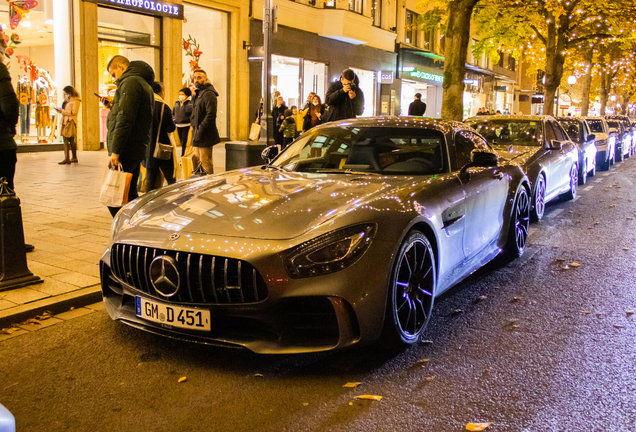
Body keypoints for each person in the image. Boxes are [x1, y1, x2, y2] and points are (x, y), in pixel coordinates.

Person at [101, 55, 155, 217]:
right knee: (128, 193)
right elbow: (130, 113)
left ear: (122, 67)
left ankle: (130, 226)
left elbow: (125, 119)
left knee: (114, 198)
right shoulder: (141, 83)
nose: (114, 78)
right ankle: (135, 225)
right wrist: (113, 105)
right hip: (135, 146)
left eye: (113, 74)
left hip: (127, 147)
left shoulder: (130, 83)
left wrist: (116, 151)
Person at [145, 81, 176, 192]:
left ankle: (148, 203)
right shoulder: (163, 106)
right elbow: (170, 128)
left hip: (148, 148)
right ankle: (174, 198)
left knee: (150, 179)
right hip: (163, 148)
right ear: (161, 92)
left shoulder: (144, 104)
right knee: (170, 177)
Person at [190, 69, 220, 174]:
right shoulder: (198, 93)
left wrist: (200, 129)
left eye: (199, 78)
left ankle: (209, 185)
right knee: (197, 161)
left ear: (205, 79)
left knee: (205, 162)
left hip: (205, 134)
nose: (196, 80)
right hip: (197, 133)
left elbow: (210, 115)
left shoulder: (209, 94)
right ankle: (200, 185)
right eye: (195, 78)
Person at [56, 85, 81, 164]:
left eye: (66, 93)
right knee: (68, 139)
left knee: (69, 139)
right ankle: (71, 157)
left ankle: (69, 158)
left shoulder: (76, 101)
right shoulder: (67, 101)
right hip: (65, 121)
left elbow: (74, 112)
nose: (65, 95)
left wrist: (63, 112)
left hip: (70, 121)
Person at [173, 87, 192, 156]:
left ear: (187, 95)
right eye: (180, 94)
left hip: (186, 125)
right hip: (178, 125)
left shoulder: (190, 103)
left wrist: (187, 102)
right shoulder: (177, 103)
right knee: (181, 142)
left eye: (183, 94)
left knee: (185, 142)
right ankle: (184, 155)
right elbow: (173, 113)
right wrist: (174, 120)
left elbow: (189, 111)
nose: (181, 96)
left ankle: (183, 156)